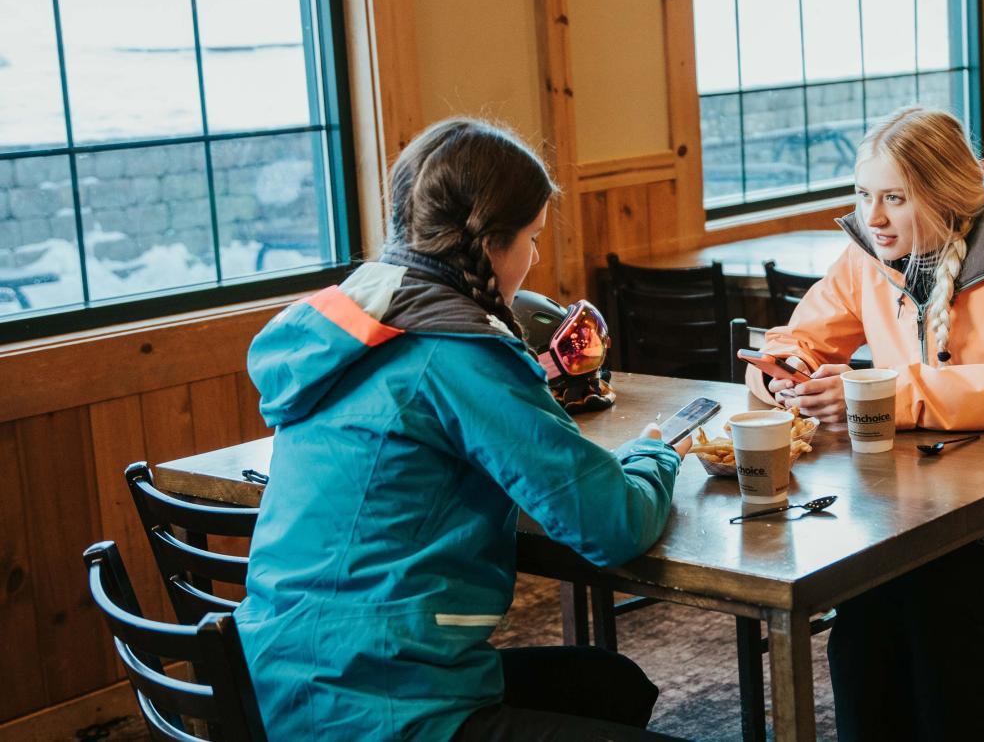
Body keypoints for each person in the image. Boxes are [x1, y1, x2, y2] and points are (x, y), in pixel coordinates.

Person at [235, 117, 687, 741]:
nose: (532, 259)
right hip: (383, 706)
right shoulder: (458, 351)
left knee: (609, 685)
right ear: (490, 243)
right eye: (531, 238)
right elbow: (611, 526)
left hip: (283, 682)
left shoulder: (349, 323)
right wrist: (655, 455)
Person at [745, 106, 984, 740]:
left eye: (894, 198)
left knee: (938, 593)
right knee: (864, 596)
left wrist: (882, 397)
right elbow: (799, 335)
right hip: (926, 508)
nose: (872, 216)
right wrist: (784, 372)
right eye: (862, 195)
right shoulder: (866, 258)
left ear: (941, 196)